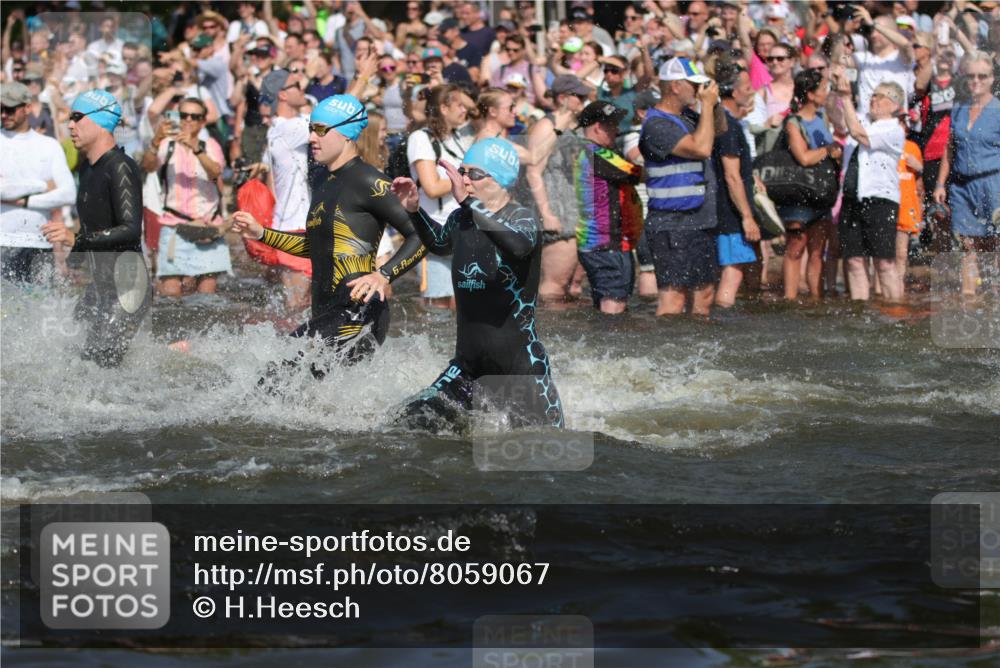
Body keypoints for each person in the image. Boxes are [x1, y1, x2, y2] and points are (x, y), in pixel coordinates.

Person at [231, 95, 426, 375]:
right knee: (309, 398)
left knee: (275, 379)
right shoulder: (322, 180)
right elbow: (316, 246)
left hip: (358, 313)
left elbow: (421, 236)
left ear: (347, 134)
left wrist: (383, 275)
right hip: (327, 312)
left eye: (321, 129)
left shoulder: (369, 181)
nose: (311, 137)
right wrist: (262, 234)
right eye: (311, 128)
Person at [392, 137, 564, 429]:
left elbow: (519, 247)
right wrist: (413, 209)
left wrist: (469, 202)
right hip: (468, 367)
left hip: (520, 371)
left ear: (500, 179)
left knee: (539, 455)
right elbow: (439, 244)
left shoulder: (523, 218)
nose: (463, 180)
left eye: (473, 173)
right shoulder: (461, 218)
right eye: (462, 171)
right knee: (409, 422)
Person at [41, 89, 149, 368]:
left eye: (77, 117)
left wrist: (75, 238)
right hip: (99, 286)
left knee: (98, 367)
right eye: (69, 118)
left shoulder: (121, 167)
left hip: (127, 287)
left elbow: (130, 230)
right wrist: (74, 258)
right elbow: (93, 220)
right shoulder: (87, 169)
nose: (70, 125)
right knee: (74, 357)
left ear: (101, 121)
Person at [640, 57, 724, 317]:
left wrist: (714, 103)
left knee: (705, 295)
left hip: (700, 220)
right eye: (693, 84)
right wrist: (707, 105)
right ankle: (667, 351)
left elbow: (719, 128)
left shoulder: (687, 116)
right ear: (675, 86)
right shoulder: (656, 124)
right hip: (671, 223)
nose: (697, 91)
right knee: (673, 299)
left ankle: (699, 351)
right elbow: (701, 148)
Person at [143, 97, 229, 297]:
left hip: (208, 227)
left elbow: (215, 172)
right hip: (174, 227)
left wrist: (195, 147)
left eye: (195, 116)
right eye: (184, 115)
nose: (188, 120)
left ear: (203, 121)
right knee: (171, 292)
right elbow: (148, 166)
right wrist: (155, 141)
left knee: (206, 295)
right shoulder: (166, 145)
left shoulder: (210, 145)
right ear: (177, 117)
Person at [933, 51, 1000, 295]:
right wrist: (940, 184)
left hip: (993, 184)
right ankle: (969, 299)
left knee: (994, 246)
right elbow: (950, 149)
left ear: (992, 78)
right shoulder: (959, 109)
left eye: (982, 76)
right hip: (961, 186)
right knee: (965, 245)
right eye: (971, 76)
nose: (976, 81)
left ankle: (994, 299)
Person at [835, 76, 906, 302]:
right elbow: (847, 124)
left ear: (895, 105)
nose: (873, 99)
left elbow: (859, 134)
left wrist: (846, 98)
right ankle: (860, 313)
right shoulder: (862, 123)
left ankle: (895, 311)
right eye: (872, 95)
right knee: (854, 260)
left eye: (880, 96)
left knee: (884, 262)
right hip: (853, 197)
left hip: (880, 200)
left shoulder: (894, 130)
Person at [407, 83, 475, 310]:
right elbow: (431, 187)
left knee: (464, 303)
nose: (464, 110)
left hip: (461, 229)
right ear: (443, 108)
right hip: (434, 231)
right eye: (459, 105)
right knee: (438, 305)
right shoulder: (420, 138)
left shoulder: (456, 137)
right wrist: (465, 180)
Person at [1, 81, 76, 282]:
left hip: (39, 243)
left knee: (39, 310)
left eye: (9, 109)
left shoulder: (49, 146)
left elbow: (68, 193)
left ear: (27, 108)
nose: (3, 115)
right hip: (3, 241)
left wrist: (25, 201)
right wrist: (42, 186)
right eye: (0, 109)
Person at [526, 74, 590, 302]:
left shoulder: (578, 126)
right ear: (562, 98)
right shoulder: (546, 126)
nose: (584, 100)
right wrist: (546, 214)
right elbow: (533, 170)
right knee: (555, 284)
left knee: (574, 286)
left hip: (578, 213)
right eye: (579, 96)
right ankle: (548, 334)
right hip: (557, 213)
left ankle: (572, 336)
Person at [574, 101, 643, 313]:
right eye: (612, 125)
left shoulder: (581, 151)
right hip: (606, 244)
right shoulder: (599, 154)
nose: (617, 130)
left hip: (594, 243)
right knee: (613, 307)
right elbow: (637, 173)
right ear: (597, 127)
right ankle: (610, 345)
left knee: (603, 304)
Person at [780, 69, 842, 301]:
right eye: (823, 89)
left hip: (822, 192)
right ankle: (790, 299)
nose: (827, 93)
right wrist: (828, 150)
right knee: (795, 248)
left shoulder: (823, 118)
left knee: (817, 251)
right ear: (810, 94)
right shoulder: (793, 122)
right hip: (798, 194)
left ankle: (816, 299)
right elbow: (803, 158)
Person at [261, 67, 312, 311]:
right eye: (297, 85)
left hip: (301, 225)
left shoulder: (293, 124)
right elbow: (336, 119)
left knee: (309, 306)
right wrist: (363, 78)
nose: (303, 88)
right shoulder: (285, 128)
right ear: (282, 94)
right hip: (293, 230)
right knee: (297, 307)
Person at [712, 64, 762, 308]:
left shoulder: (716, 119)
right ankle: (723, 325)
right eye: (746, 87)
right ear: (732, 91)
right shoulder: (729, 128)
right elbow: (732, 176)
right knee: (733, 273)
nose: (752, 91)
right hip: (729, 213)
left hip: (713, 209)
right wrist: (747, 217)